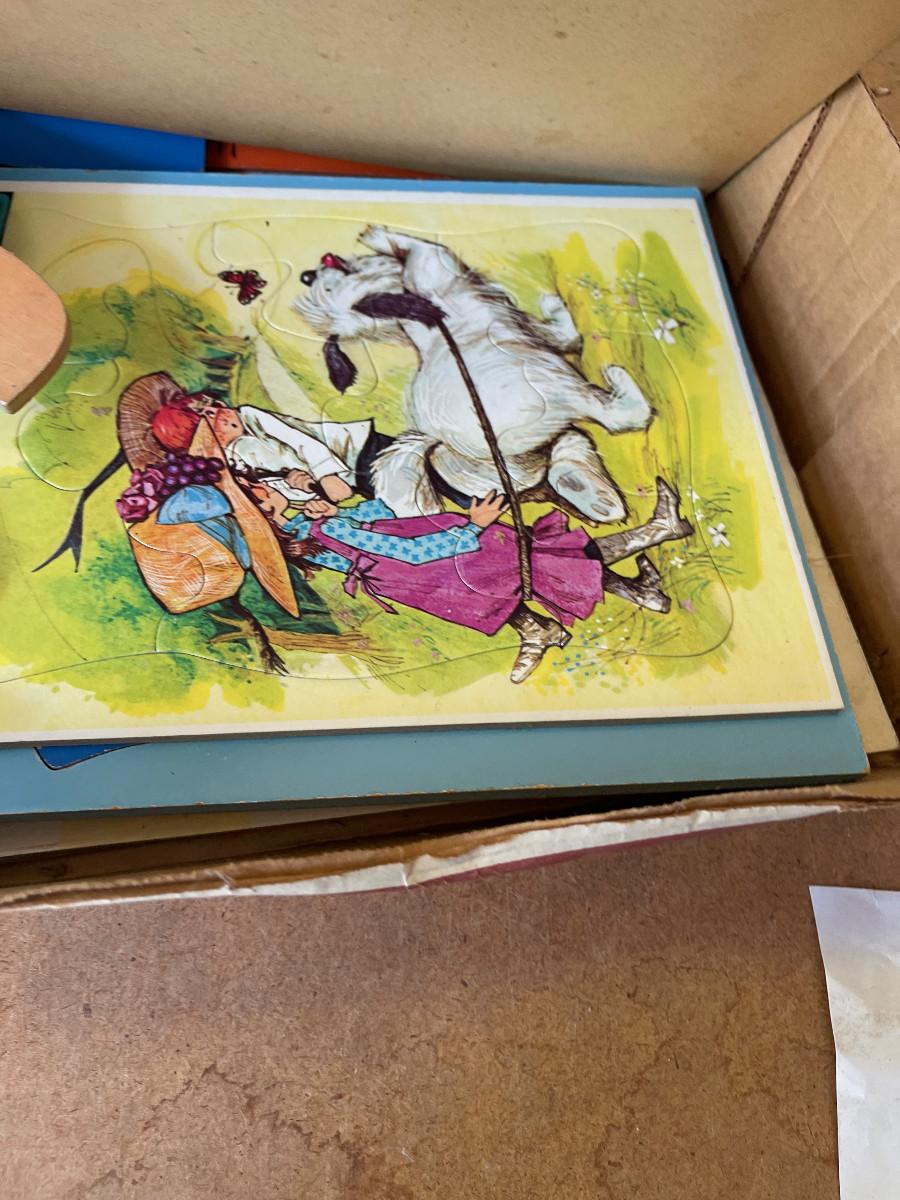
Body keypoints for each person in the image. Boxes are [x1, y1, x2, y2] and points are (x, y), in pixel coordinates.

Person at [246, 477, 694, 684]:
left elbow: (380, 516)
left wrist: (336, 508)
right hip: (444, 562)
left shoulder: (306, 532)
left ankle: (632, 597)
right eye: (260, 496)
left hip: (415, 584)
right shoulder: (323, 529)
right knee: (545, 562)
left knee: (521, 585)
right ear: (267, 516)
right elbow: (406, 550)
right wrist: (473, 527)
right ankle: (658, 530)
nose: (267, 487)